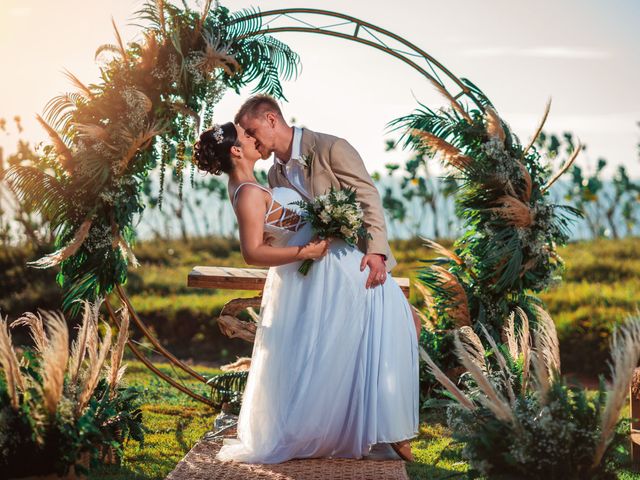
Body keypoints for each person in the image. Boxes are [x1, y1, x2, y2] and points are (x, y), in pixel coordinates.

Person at [192, 116, 419, 464]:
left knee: (357, 336)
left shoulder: (257, 184)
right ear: (237, 150)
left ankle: (373, 425)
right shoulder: (250, 191)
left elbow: (273, 227)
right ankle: (380, 428)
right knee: (372, 326)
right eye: (245, 135)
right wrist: (305, 251)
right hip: (317, 270)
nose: (253, 138)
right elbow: (252, 252)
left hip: (322, 274)